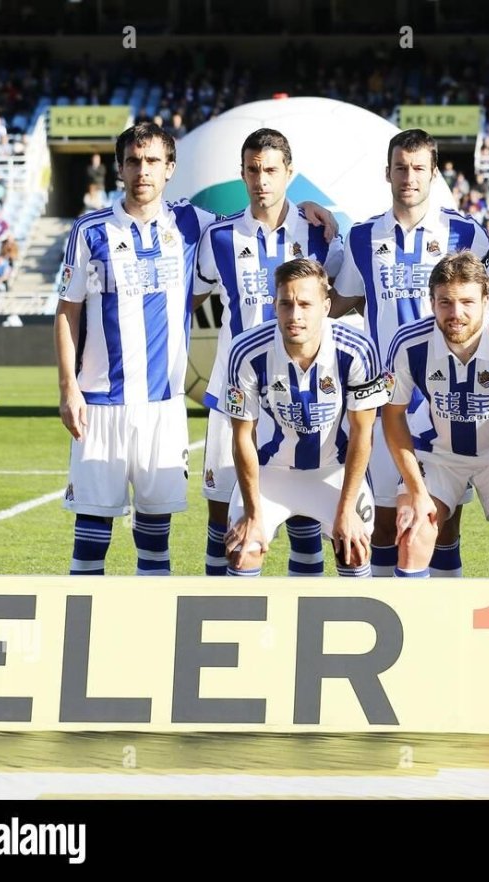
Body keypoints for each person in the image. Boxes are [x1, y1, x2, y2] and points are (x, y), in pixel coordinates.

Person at [54, 121, 336, 576]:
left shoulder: (196, 224)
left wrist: (309, 207)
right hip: (112, 401)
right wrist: (68, 387)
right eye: (133, 161)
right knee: (99, 534)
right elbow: (70, 309)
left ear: (170, 168)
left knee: (293, 517)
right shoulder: (106, 230)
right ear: (119, 168)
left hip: (190, 403)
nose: (143, 171)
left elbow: (337, 294)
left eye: (152, 161)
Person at [334, 129, 489, 578]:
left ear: (433, 174)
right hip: (385, 400)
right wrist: (314, 223)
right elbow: (338, 302)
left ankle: (442, 614)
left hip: (445, 400)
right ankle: (384, 608)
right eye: (400, 168)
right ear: (387, 173)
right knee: (384, 525)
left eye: (417, 168)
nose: (408, 177)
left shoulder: (465, 232)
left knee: (442, 526)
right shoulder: (361, 237)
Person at [194, 127, 345, 577]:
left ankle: (305, 613)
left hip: (298, 394)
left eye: (272, 171)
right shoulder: (219, 237)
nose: (262, 180)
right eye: (253, 170)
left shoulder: (319, 234)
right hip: (234, 396)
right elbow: (186, 299)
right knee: (224, 520)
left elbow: (340, 300)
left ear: (289, 173)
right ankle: (219, 607)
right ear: (242, 173)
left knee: (303, 517)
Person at [383, 251, 489, 578]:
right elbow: (393, 415)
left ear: (486, 301)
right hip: (436, 454)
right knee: (413, 534)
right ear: (431, 302)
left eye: (467, 302)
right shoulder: (407, 342)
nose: (456, 313)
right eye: (445, 302)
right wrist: (417, 492)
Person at [221, 259, 385, 577]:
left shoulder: (358, 349)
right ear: (275, 305)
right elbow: (243, 436)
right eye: (286, 303)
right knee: (243, 550)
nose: (295, 315)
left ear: (326, 306)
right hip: (270, 473)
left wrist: (347, 510)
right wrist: (253, 514)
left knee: (354, 549)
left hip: (334, 472)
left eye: (305, 304)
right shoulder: (246, 351)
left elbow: (362, 433)